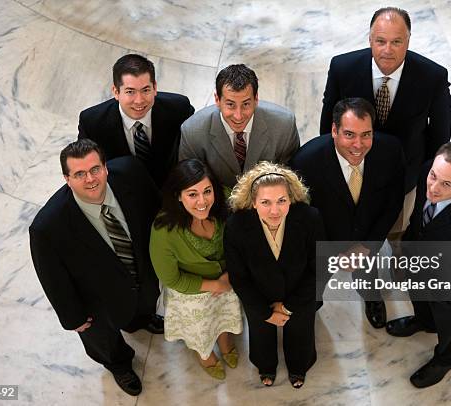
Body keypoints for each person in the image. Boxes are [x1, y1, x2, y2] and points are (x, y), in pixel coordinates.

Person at [29, 139, 163, 396]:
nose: (90, 179)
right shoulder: (47, 227)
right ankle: (119, 364)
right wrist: (73, 318)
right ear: (66, 178)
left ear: (105, 168)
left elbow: (155, 208)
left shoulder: (131, 172)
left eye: (95, 169)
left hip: (141, 272)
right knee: (104, 339)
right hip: (95, 300)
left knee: (145, 302)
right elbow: (53, 280)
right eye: (79, 174)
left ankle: (142, 319)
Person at [319, 7, 451, 239]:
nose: (387, 50)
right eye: (380, 41)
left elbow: (440, 136)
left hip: (403, 178)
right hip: (353, 171)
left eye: (396, 42)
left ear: (408, 40)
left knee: (396, 233)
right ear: (370, 39)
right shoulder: (342, 68)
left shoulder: (433, 77)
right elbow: (328, 124)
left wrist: (422, 179)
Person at [291, 98, 404, 327]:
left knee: (368, 278)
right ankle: (311, 309)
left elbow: (392, 203)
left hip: (367, 239)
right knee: (314, 285)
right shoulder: (305, 162)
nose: (358, 145)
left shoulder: (391, 151)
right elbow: (300, 218)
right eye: (349, 134)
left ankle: (371, 298)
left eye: (366, 134)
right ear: (334, 130)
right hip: (325, 244)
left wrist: (367, 246)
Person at [386, 140, 451, 388]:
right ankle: (425, 322)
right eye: (433, 176)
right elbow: (417, 220)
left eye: (446, 184)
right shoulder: (427, 172)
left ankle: (448, 357)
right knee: (420, 301)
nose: (433, 188)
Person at [224, 162, 325, 388]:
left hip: (301, 295)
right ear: (252, 202)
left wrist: (289, 307)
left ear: (291, 198)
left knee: (301, 331)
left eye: (282, 201)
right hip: (259, 297)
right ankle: (266, 366)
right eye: (265, 202)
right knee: (260, 333)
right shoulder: (236, 226)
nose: (275, 210)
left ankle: (299, 367)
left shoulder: (310, 218)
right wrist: (264, 311)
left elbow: (319, 268)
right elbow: (239, 277)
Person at [149, 159, 243, 380]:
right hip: (191, 287)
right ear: (178, 196)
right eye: (192, 194)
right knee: (201, 326)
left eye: (207, 191)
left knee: (226, 313)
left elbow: (245, 242)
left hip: (228, 277)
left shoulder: (227, 203)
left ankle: (225, 340)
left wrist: (230, 276)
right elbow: (171, 279)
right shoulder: (163, 230)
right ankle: (205, 353)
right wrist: (215, 285)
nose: (202, 201)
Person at [78, 53, 194, 187]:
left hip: (172, 188)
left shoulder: (179, 108)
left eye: (145, 90)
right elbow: (85, 169)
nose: (139, 101)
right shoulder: (92, 122)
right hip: (124, 193)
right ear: (116, 92)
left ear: (155, 88)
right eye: (130, 92)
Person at [179, 64, 300, 190]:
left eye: (246, 104)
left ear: (256, 99)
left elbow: (291, 178)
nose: (238, 116)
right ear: (217, 100)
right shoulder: (192, 131)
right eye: (230, 104)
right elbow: (190, 185)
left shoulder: (284, 125)